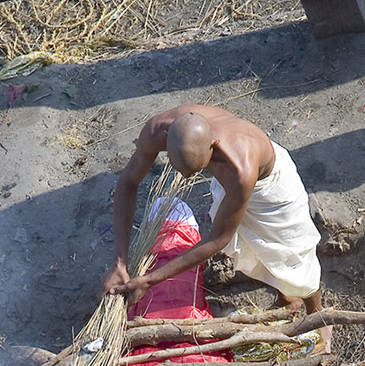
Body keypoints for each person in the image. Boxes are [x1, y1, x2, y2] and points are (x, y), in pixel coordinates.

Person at [100, 104, 331, 349]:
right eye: (182, 170)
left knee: (293, 252)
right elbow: (127, 183)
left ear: (213, 145)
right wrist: (120, 262)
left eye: (197, 170)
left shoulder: (241, 166)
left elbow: (217, 238)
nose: (188, 178)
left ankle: (318, 315)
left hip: (270, 187)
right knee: (250, 247)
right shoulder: (157, 129)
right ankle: (287, 297)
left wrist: (150, 279)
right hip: (227, 182)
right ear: (166, 141)